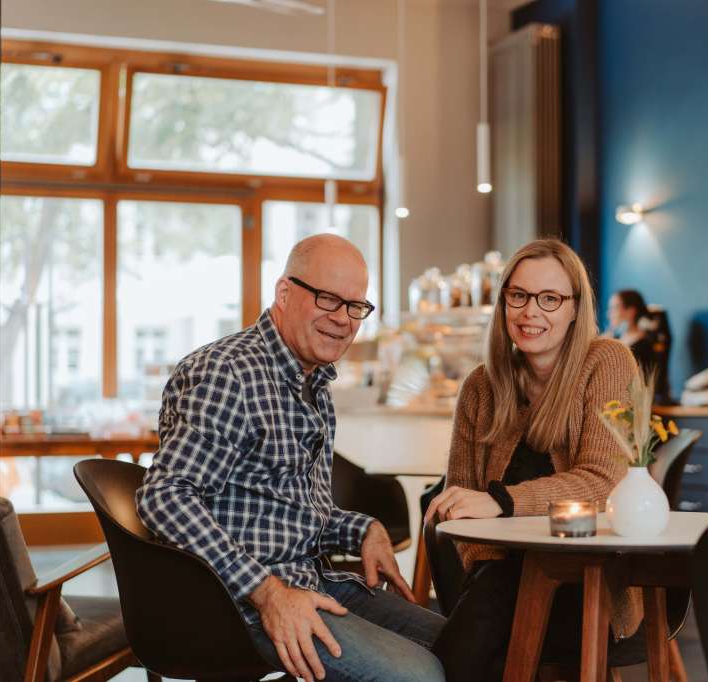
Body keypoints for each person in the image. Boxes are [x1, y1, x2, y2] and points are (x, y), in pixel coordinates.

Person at [136, 234, 445, 682]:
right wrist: (267, 593)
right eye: (327, 299)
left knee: (467, 645)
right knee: (420, 676)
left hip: (308, 581)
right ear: (284, 293)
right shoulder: (229, 374)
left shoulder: (312, 383)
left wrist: (364, 528)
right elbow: (165, 496)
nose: (343, 320)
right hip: (234, 602)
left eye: (355, 306)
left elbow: (294, 512)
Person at [424, 239, 643, 682]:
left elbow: (604, 483)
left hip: (588, 584)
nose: (530, 312)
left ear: (575, 308)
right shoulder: (481, 386)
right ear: (503, 300)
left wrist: (501, 501)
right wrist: (486, 561)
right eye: (518, 296)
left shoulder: (608, 362)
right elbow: (461, 501)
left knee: (462, 653)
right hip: (497, 580)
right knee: (486, 617)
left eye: (550, 299)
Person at [607, 289, 672, 403]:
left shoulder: (645, 345)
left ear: (630, 311)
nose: (609, 313)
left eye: (615, 308)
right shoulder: (613, 340)